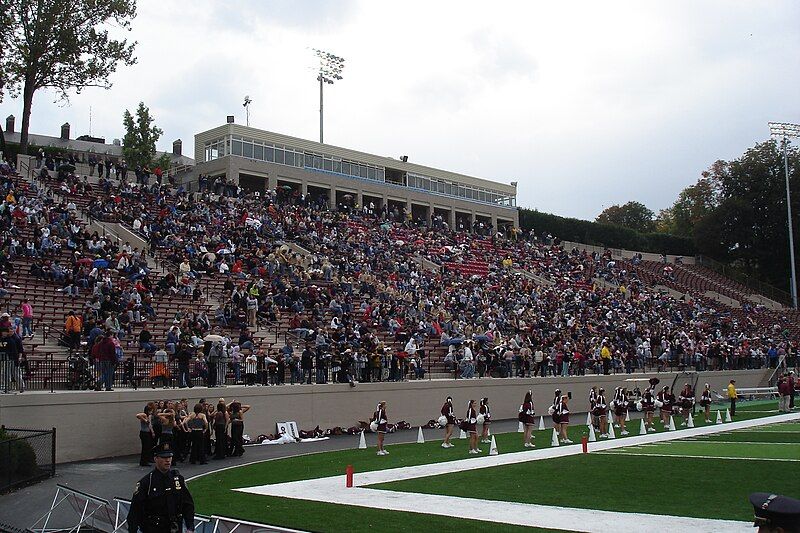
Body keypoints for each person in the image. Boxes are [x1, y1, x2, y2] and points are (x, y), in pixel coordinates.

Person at [126, 442, 195, 533]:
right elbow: (135, 511)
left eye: (169, 457)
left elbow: (188, 505)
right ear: (156, 459)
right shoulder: (147, 482)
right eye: (164, 457)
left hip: (175, 528)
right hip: (154, 528)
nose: (168, 460)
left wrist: (190, 527)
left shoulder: (177, 480)